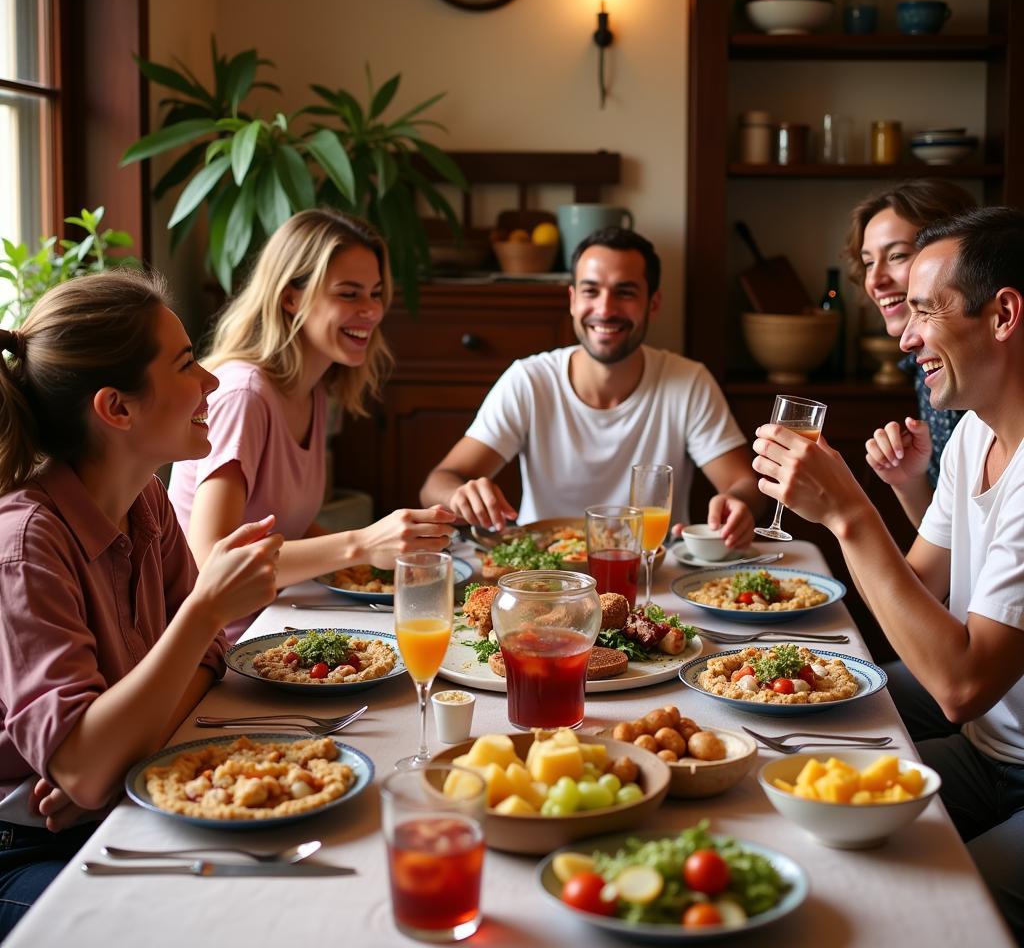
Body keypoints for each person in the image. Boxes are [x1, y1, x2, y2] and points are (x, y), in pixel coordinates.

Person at [753, 207, 1024, 942]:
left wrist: (848, 513)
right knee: (794, 817)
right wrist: (855, 512)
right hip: (988, 752)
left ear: (1002, 314)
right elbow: (914, 588)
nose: (905, 338)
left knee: (929, 923)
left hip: (1007, 759)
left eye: (926, 311)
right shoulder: (974, 434)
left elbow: (960, 686)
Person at [0, 270, 282, 938]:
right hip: (27, 849)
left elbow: (211, 659)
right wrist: (203, 613)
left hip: (114, 810)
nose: (212, 383)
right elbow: (84, 767)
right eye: (188, 366)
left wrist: (122, 758)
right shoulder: (26, 544)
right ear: (115, 409)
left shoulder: (145, 500)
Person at [168, 209, 456, 640]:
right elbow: (211, 559)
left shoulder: (313, 391)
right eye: (349, 293)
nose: (372, 310)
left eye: (376, 293)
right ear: (291, 297)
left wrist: (386, 554)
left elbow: (292, 528)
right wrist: (361, 543)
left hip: (278, 619)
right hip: (220, 648)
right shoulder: (244, 394)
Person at [420, 227, 761, 546]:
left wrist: (738, 502)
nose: (605, 309)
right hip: (545, 575)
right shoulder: (529, 380)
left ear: (653, 304)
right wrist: (459, 496)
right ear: (572, 300)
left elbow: (742, 483)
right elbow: (438, 483)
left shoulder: (689, 382)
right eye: (591, 290)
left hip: (649, 572)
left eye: (625, 292)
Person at [843, 179, 977, 526]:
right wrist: (907, 481)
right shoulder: (925, 368)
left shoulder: (982, 373)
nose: (875, 280)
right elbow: (947, 541)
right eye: (868, 262)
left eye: (897, 256)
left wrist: (842, 509)